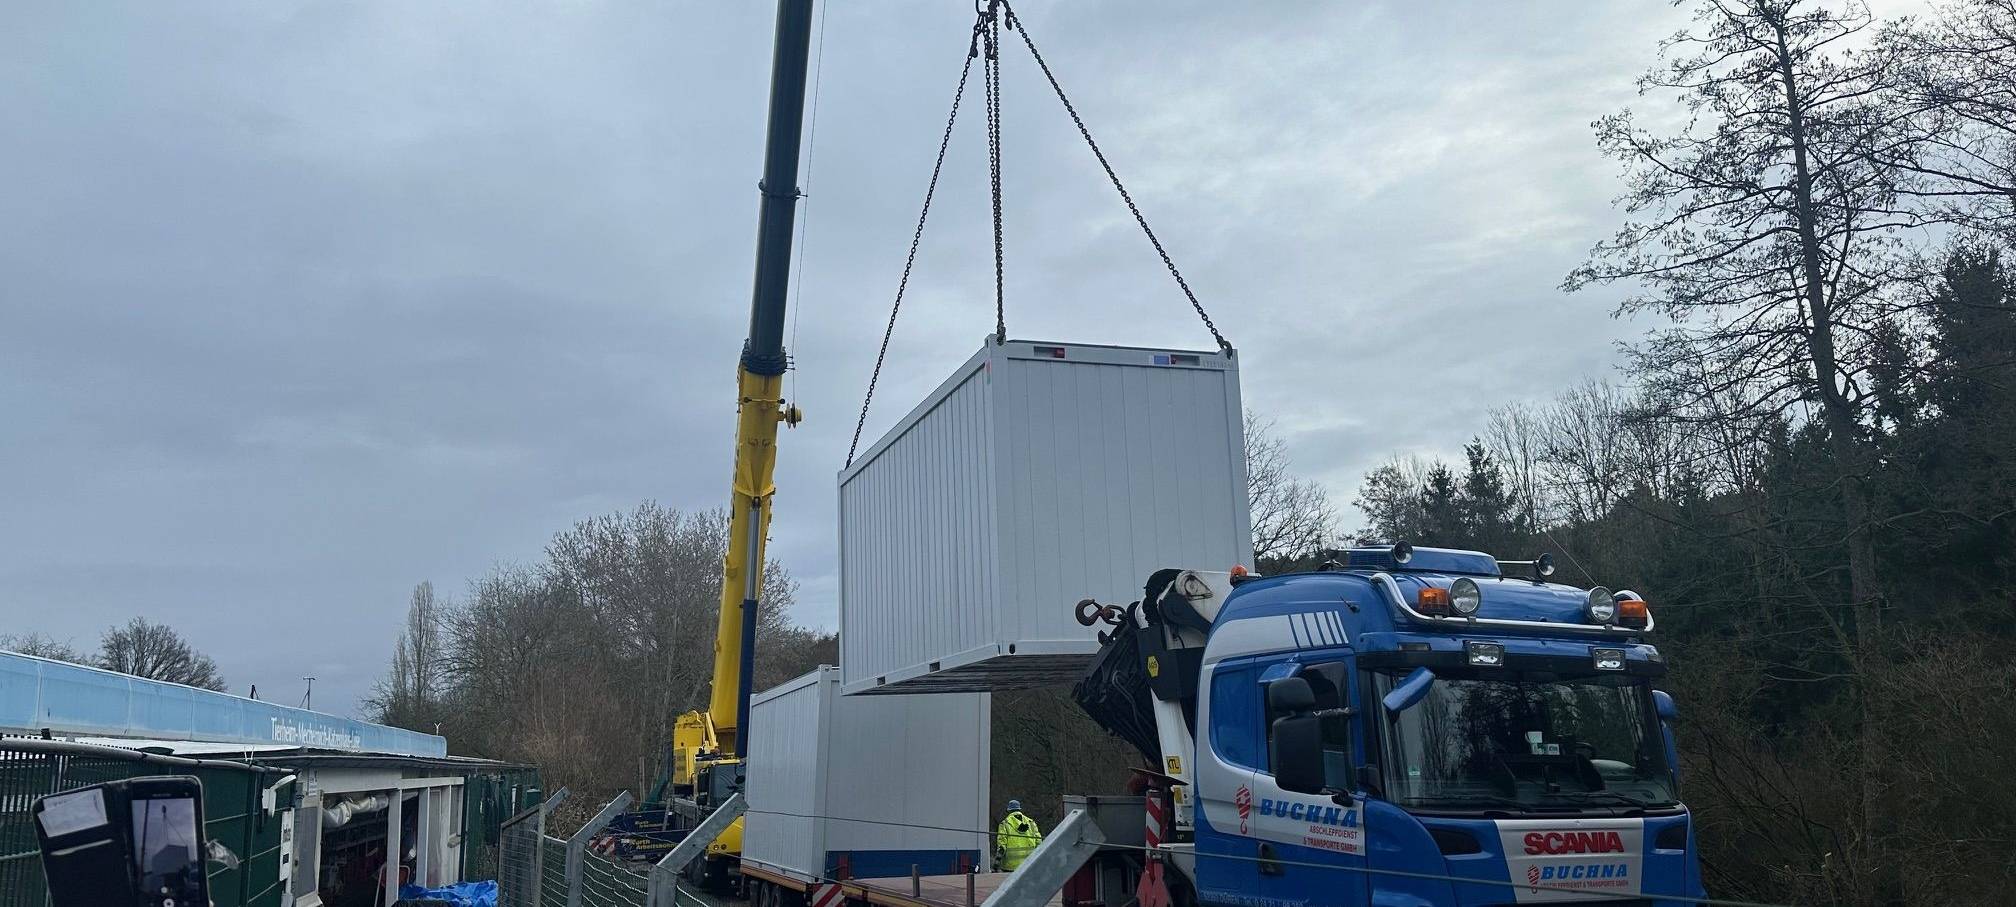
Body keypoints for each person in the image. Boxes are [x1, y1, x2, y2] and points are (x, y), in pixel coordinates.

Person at [994, 800, 1043, 871]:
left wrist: (996, 865)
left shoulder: (1004, 824)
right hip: (1029, 864)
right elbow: (1039, 843)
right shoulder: (1031, 822)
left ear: (1009, 810)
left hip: (1010, 866)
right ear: (1019, 809)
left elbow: (1001, 847)